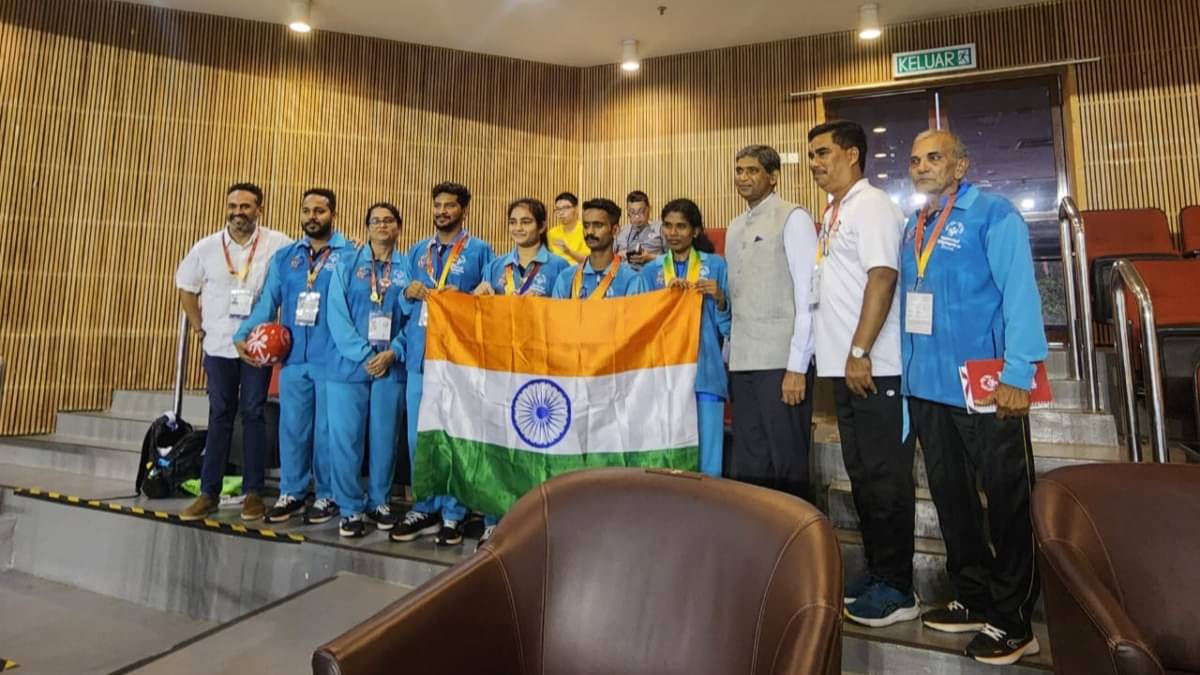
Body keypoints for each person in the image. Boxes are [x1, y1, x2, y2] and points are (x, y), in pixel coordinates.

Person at [901, 129, 1046, 666]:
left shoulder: (994, 214)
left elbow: (1019, 292)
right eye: (915, 160)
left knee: (1007, 503)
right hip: (929, 390)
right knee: (952, 499)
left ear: (960, 166)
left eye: (934, 157)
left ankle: (1014, 620)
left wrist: (1019, 371)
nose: (921, 167)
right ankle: (973, 594)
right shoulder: (916, 225)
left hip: (987, 387)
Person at [807, 120, 917, 627]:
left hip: (876, 367)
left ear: (853, 154)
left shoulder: (871, 205)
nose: (814, 163)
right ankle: (877, 572)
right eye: (810, 155)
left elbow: (883, 276)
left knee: (886, 479)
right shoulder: (834, 211)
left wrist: (859, 349)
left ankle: (899, 587)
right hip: (845, 368)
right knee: (864, 477)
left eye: (823, 152)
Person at [234, 187, 354, 526]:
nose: (311, 217)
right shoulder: (286, 258)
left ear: (333, 214)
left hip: (333, 359)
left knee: (328, 431)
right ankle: (293, 491)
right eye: (306, 211)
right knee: (293, 429)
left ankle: (328, 495)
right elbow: (266, 303)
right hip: (294, 360)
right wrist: (242, 334)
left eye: (319, 211)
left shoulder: (350, 255)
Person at [175, 183, 291, 522]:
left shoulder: (277, 243)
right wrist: (199, 328)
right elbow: (186, 288)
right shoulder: (206, 247)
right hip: (218, 346)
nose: (238, 212)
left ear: (260, 209)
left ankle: (253, 492)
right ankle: (209, 492)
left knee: (254, 413)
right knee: (220, 414)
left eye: (246, 206)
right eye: (233, 205)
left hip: (256, 348)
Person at [390, 182, 495, 546]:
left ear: (464, 210)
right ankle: (425, 507)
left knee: (454, 435)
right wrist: (407, 292)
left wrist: (464, 299)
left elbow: (488, 303)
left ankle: (454, 512)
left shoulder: (481, 251)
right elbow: (400, 302)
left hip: (458, 361)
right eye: (438, 205)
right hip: (421, 358)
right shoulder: (417, 251)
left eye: (450, 205)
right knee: (421, 439)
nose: (442, 211)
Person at [469, 197, 568, 547]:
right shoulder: (497, 267)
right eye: (513, 222)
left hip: (540, 372)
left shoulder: (559, 268)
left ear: (541, 226)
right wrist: (476, 297)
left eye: (526, 221)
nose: (519, 228)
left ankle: (535, 520)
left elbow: (565, 320)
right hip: (500, 369)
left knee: (535, 448)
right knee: (498, 444)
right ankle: (495, 520)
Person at [724, 145, 817, 503]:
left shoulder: (793, 217)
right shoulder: (734, 227)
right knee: (750, 460)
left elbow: (808, 295)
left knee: (787, 461)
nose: (743, 178)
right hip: (743, 360)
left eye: (752, 171)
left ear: (773, 176)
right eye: (738, 170)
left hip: (781, 362)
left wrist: (797, 365)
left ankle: (798, 545)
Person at [325, 203, 411, 537]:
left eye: (389, 220)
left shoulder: (408, 269)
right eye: (375, 220)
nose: (382, 225)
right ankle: (349, 508)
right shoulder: (346, 263)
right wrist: (364, 354)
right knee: (345, 439)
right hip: (349, 366)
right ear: (367, 227)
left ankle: (379, 501)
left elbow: (415, 321)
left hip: (391, 366)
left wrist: (394, 351)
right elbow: (336, 314)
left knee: (384, 438)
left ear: (399, 227)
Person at [638, 198, 730, 477]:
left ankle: (708, 514)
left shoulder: (715, 266)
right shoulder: (651, 272)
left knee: (708, 457)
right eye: (667, 226)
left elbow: (728, 328)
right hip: (662, 377)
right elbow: (640, 324)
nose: (673, 233)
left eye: (681, 226)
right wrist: (662, 299)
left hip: (705, 372)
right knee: (666, 454)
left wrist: (719, 298)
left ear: (696, 231)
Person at [551, 198, 645, 299]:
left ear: (615, 230)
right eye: (586, 226)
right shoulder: (565, 278)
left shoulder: (631, 279)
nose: (590, 232)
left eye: (598, 225)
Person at [614, 190, 664, 271]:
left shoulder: (660, 229)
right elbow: (607, 259)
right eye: (632, 212)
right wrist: (619, 256)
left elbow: (673, 258)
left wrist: (650, 257)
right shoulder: (621, 232)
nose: (637, 217)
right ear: (628, 212)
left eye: (641, 211)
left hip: (652, 276)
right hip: (624, 276)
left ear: (649, 209)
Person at [547, 191, 589, 265]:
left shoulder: (586, 231)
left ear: (576, 209)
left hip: (578, 272)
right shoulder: (551, 233)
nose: (561, 213)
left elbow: (589, 261)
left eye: (566, 208)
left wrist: (569, 252)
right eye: (558, 209)